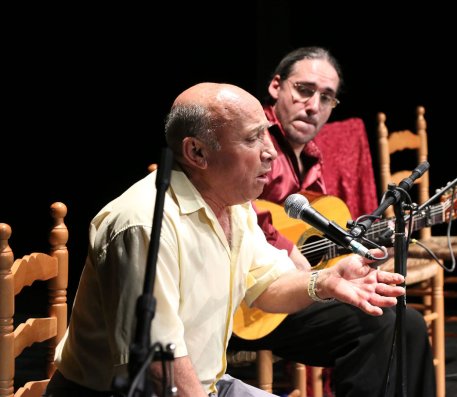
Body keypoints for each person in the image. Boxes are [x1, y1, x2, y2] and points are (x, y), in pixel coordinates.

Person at [44, 82, 406, 397]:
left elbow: (266, 287)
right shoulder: (142, 225)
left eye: (266, 133)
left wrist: (325, 281)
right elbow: (158, 363)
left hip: (207, 385)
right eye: (252, 138)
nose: (270, 152)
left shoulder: (234, 206)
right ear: (196, 152)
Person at [228, 47, 437, 397]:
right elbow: (235, 203)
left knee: (407, 321)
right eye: (304, 90)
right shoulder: (253, 136)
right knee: (380, 325)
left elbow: (317, 240)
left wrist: (354, 254)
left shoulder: (311, 157)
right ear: (276, 86)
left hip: (299, 293)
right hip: (251, 300)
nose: (313, 106)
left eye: (326, 98)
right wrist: (289, 249)